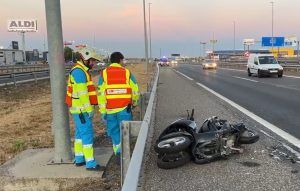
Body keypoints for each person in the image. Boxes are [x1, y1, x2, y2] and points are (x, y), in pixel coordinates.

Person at [65, 47, 102, 171]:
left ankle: (80, 158)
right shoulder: (79, 72)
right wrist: (89, 109)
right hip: (81, 109)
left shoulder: (80, 70)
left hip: (78, 109)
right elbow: (83, 94)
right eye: (92, 61)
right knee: (87, 134)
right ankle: (90, 162)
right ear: (85, 59)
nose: (94, 63)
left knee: (80, 134)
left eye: (95, 61)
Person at [98, 52, 139, 157]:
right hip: (125, 108)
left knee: (114, 131)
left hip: (110, 110)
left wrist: (103, 111)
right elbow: (135, 90)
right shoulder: (126, 72)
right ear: (120, 60)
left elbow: (100, 94)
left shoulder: (104, 73)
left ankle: (118, 153)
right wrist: (134, 102)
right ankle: (125, 154)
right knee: (125, 131)